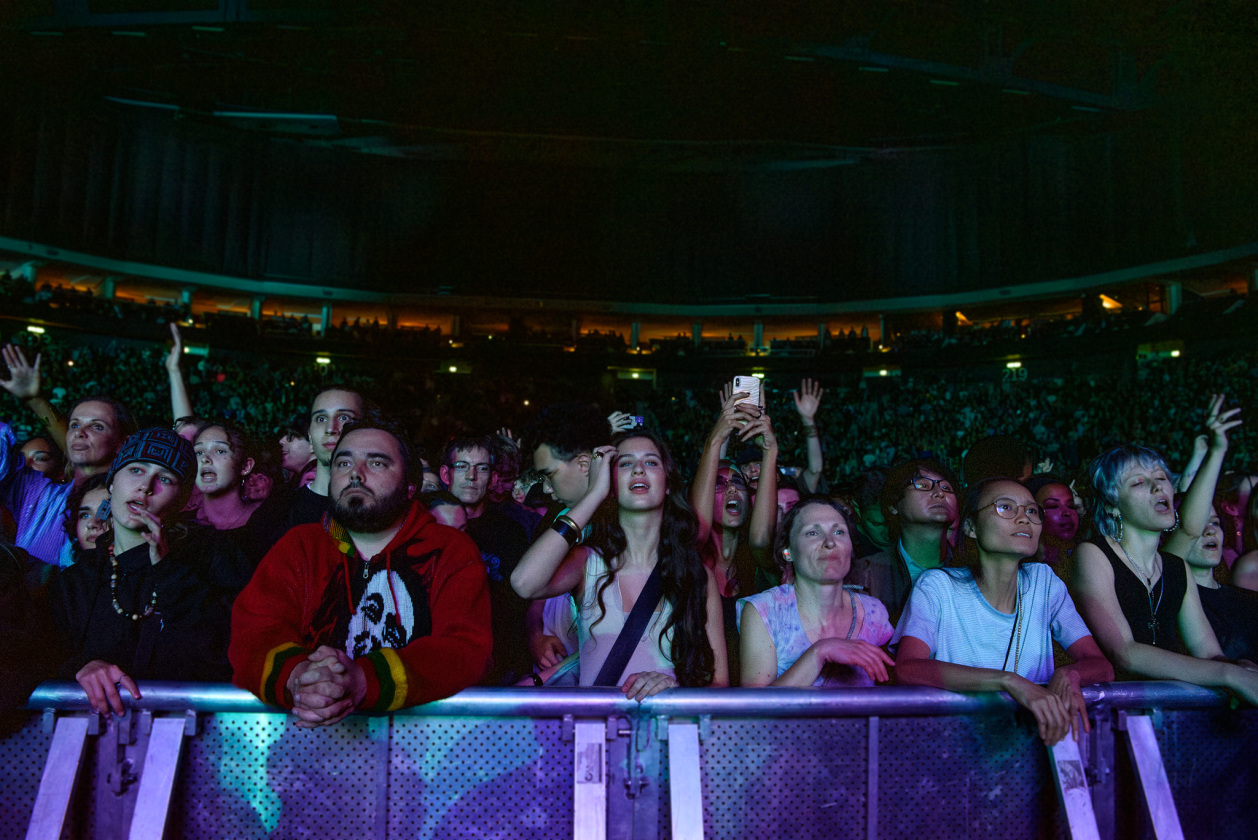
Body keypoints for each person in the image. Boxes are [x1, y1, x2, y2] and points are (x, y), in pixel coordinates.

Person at [231, 418, 492, 725]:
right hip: (304, 745)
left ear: (411, 485)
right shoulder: (299, 546)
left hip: (424, 749)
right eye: (343, 463)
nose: (355, 473)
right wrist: (299, 676)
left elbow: (463, 649)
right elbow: (253, 634)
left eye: (377, 463)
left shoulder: (449, 549)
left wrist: (364, 680)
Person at [893, 478, 1113, 745]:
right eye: (1005, 507)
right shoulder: (938, 586)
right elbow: (908, 668)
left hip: (1032, 747)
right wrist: (1009, 681)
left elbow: (1101, 665)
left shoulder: (1044, 582)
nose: (1024, 519)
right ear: (971, 526)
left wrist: (1070, 675)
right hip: (952, 747)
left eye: (1032, 511)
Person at [50, 428, 251, 716]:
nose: (146, 486)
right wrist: (80, 665)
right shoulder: (77, 579)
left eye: (165, 479)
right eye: (136, 470)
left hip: (189, 736)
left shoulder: (214, 556)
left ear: (179, 500)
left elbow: (227, 652)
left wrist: (169, 573)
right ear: (112, 481)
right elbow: (37, 655)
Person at [511, 429, 727, 698]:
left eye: (650, 462)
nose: (638, 470)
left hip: (666, 733)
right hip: (596, 734)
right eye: (625, 463)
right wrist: (593, 495)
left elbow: (720, 684)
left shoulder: (697, 576)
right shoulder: (587, 564)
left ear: (668, 483)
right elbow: (523, 583)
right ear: (611, 485)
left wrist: (676, 688)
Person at [1071, 421, 1258, 705]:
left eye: (1161, 478)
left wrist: (1238, 667)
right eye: (1138, 482)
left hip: (1173, 719)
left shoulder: (1176, 568)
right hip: (1115, 719)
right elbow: (1125, 652)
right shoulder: (1092, 554)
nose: (1157, 485)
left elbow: (1208, 654)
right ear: (1111, 504)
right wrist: (1227, 675)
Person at [739, 497, 895, 687]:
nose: (830, 543)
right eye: (813, 533)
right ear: (788, 551)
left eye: (839, 532)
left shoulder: (874, 612)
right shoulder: (765, 611)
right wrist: (820, 652)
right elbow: (755, 711)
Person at [1, 370, 135, 565]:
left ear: (123, 443)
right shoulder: (39, 495)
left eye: (97, 426)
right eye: (74, 425)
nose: (80, 432)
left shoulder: (130, 507)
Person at [440, 435, 532, 684]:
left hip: (501, 670)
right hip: (441, 663)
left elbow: (523, 604)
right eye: (462, 466)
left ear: (492, 478)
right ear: (446, 474)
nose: (471, 476)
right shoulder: (428, 525)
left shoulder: (511, 532)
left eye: (481, 468)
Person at [857, 460, 959, 625]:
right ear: (894, 506)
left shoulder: (970, 571)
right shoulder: (867, 573)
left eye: (947, 488)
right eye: (923, 485)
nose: (940, 493)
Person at [192, 420, 288, 565]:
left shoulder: (270, 526)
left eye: (220, 451)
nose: (205, 459)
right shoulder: (181, 528)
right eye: (199, 452)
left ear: (245, 466)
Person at [287, 387, 367, 527]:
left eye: (344, 418)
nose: (331, 429)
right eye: (321, 418)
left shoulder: (384, 507)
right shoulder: (279, 511)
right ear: (310, 436)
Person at [523, 403, 610, 509]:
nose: (546, 489)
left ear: (584, 464)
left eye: (549, 475)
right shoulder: (557, 515)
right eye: (542, 478)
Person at [1025, 475, 1080, 571]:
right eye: (1053, 506)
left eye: (1071, 506)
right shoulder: (1022, 568)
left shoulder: (1089, 559)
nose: (1067, 512)